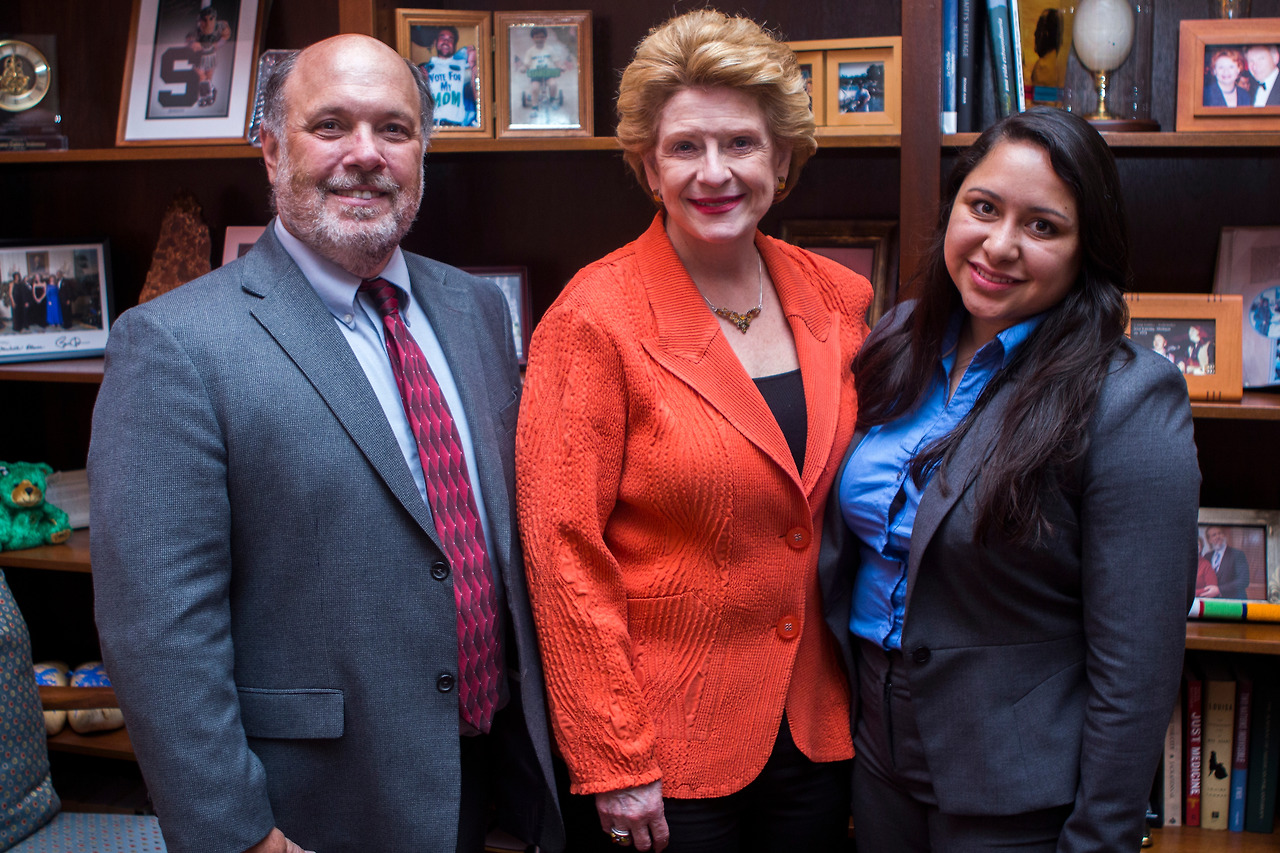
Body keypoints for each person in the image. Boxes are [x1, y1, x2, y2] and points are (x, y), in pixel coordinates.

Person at [89, 34, 563, 853]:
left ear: (424, 151)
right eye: (331, 125)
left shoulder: (478, 310)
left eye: (394, 129)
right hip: (322, 802)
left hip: (502, 775)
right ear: (271, 150)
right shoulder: (174, 344)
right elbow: (159, 631)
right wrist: (239, 835)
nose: (365, 155)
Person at [516, 10, 872, 853]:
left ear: (781, 160)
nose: (715, 172)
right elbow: (560, 550)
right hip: (664, 755)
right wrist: (612, 756)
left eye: (741, 144)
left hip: (819, 731)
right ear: (648, 165)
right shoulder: (592, 320)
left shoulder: (841, 301)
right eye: (685, 147)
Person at [820, 107, 1200, 852]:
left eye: (1043, 226)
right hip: (874, 748)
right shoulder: (899, 338)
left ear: (1087, 248)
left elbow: (1137, 670)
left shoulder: (1128, 396)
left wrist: (1100, 835)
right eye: (983, 208)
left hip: (1015, 789)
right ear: (954, 207)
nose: (998, 246)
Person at [420, 26, 478, 128]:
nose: (446, 42)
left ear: (454, 45)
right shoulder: (425, 68)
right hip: (432, 128)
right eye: (442, 38)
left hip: (457, 128)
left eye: (450, 39)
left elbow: (478, 93)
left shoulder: (463, 66)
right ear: (435, 42)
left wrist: (472, 63)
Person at [185, 2, 233, 108]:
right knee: (202, 75)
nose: (208, 23)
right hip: (200, 56)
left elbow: (225, 36)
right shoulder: (197, 29)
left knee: (208, 76)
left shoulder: (220, 26)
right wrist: (195, 45)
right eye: (205, 19)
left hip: (211, 55)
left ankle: (207, 96)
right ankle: (204, 95)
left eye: (211, 19)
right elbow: (190, 40)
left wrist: (217, 44)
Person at [514, 27, 570, 113]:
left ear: (545, 38)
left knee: (553, 84)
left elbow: (556, 61)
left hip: (548, 73)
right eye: (537, 37)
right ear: (533, 38)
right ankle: (535, 106)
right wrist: (523, 68)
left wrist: (561, 67)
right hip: (536, 74)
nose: (539, 39)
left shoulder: (550, 49)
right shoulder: (530, 51)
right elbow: (527, 64)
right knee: (535, 88)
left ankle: (552, 100)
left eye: (542, 37)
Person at [1204, 525, 1250, 599]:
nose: (1218, 536)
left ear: (1224, 536)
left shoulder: (1237, 554)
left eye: (1220, 533)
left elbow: (1244, 580)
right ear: (1209, 540)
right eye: (1214, 535)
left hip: (1233, 602)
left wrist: (1219, 590)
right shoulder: (1207, 556)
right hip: (1212, 602)